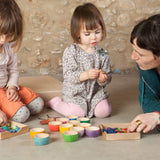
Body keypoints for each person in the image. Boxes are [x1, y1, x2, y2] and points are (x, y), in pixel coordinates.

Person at [48, 3, 112, 118]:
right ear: (78, 33)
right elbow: (68, 75)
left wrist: (103, 78)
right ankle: (56, 103)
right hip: (76, 94)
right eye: (87, 34)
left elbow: (108, 75)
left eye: (97, 32)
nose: (93, 37)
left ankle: (98, 105)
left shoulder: (103, 53)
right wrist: (86, 74)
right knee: (77, 114)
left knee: (104, 112)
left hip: (94, 93)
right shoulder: (71, 51)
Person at [0, 0, 44, 126]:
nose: (3, 40)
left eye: (8, 35)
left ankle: (8, 106)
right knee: (22, 115)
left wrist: (12, 87)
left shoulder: (8, 46)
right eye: (0, 34)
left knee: (38, 105)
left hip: (6, 88)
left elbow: (13, 70)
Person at [128, 14, 160, 133]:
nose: (133, 57)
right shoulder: (145, 65)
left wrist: (157, 116)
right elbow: (147, 99)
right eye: (134, 50)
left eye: (140, 54)